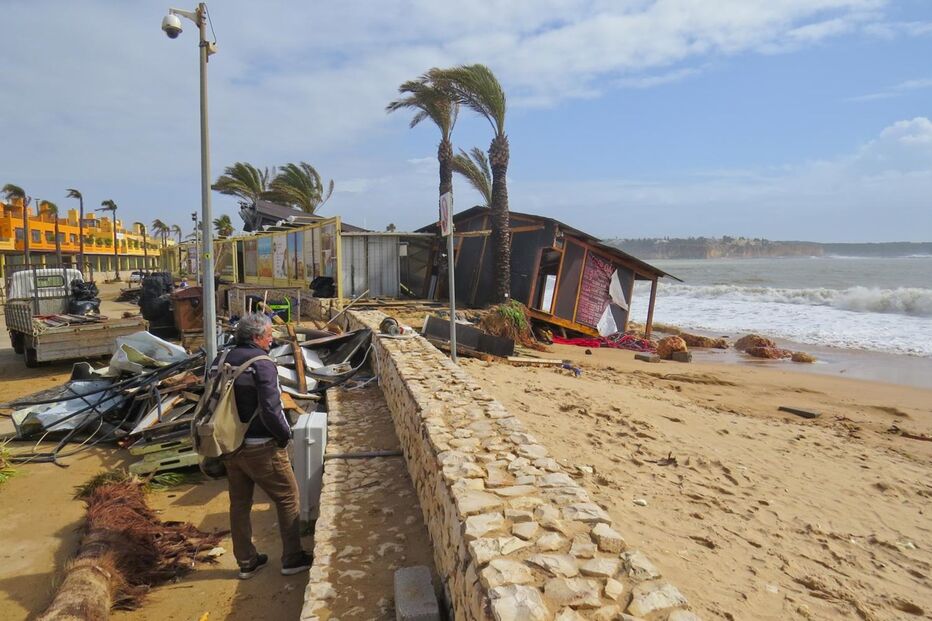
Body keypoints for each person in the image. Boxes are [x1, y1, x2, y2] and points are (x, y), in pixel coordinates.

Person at [209, 313, 312, 579]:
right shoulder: (262, 364)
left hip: (230, 446)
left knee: (239, 503)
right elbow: (270, 409)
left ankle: (247, 561)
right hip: (261, 447)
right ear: (256, 337)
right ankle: (292, 558)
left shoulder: (220, 359)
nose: (271, 340)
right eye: (268, 335)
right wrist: (284, 436)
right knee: (287, 497)